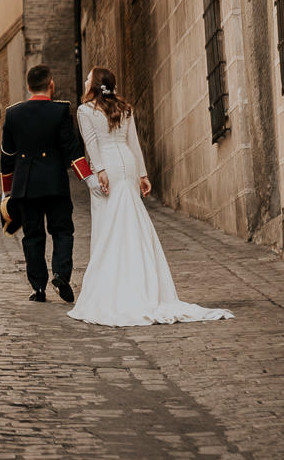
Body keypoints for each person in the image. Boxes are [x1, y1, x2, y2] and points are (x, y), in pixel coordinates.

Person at [70, 67, 234, 327]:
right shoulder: (125, 108)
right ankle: (143, 280)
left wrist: (99, 169)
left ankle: (113, 285)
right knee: (131, 221)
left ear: (95, 85)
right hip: (127, 162)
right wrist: (143, 174)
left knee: (108, 224)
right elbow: (133, 143)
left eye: (89, 77)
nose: (86, 80)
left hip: (109, 166)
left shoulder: (85, 110)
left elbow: (91, 143)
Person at [0, 65, 85, 303]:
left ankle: (38, 288)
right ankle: (61, 274)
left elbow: (7, 155)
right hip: (54, 183)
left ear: (28, 87)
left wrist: (7, 191)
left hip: (25, 186)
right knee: (62, 230)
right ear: (52, 84)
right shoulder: (60, 111)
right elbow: (73, 150)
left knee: (32, 236)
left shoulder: (13, 114)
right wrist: (87, 178)